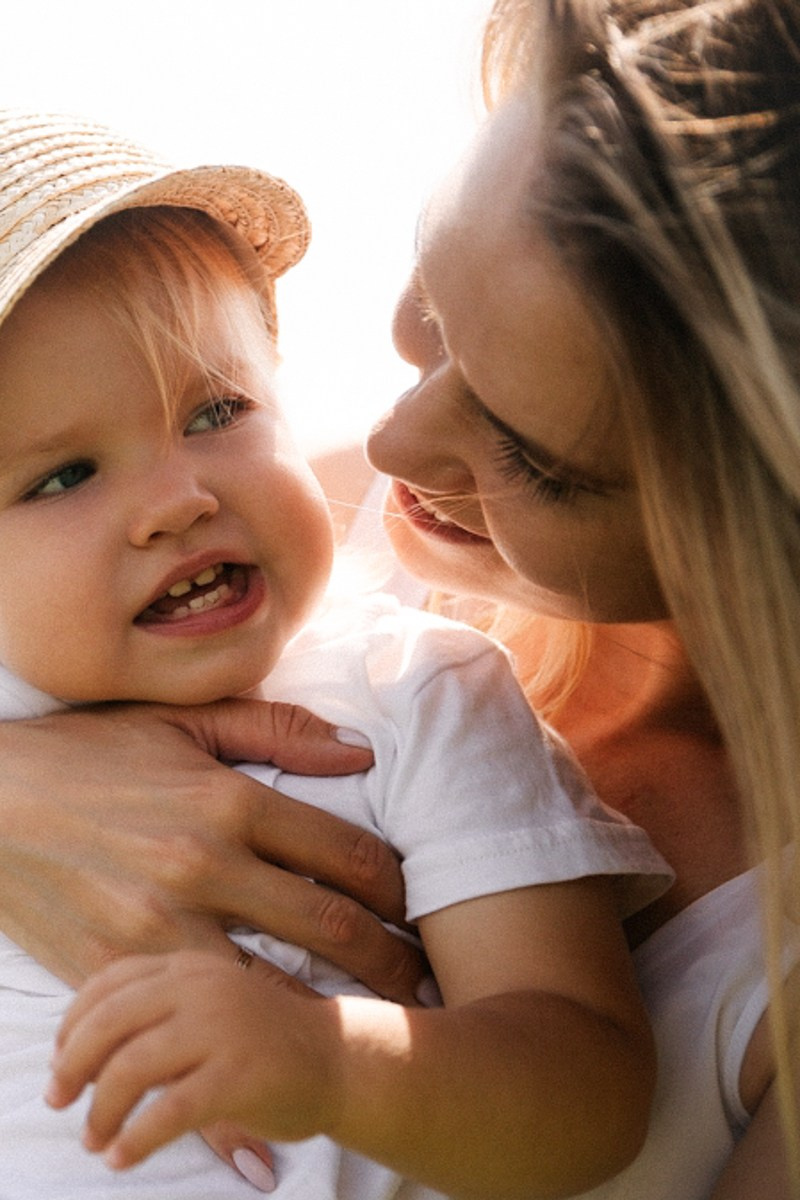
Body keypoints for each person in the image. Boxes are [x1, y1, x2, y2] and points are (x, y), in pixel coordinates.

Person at [0, 0, 796, 1193]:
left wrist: (328, 1060)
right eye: (429, 306)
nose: (383, 445)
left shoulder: (402, 681)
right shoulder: (222, 544)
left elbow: (565, 1076)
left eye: (530, 454)